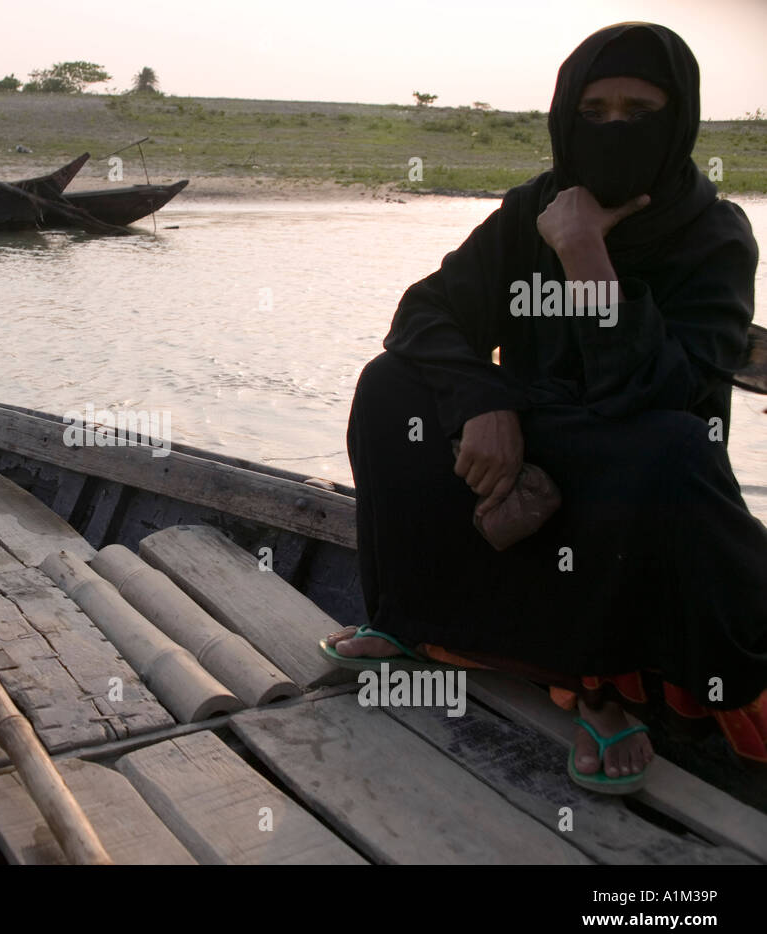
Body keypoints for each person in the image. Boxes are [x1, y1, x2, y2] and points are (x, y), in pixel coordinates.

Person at [325, 22, 765, 794]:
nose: (614, 128)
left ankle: (602, 681)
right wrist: (481, 399)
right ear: (565, 114)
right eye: (594, 110)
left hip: (634, 464)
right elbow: (425, 312)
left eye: (638, 109)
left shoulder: (713, 236)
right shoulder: (533, 205)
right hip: (525, 440)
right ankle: (412, 620)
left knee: (669, 448)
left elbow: (662, 393)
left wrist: (584, 254)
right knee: (391, 385)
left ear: (679, 117)